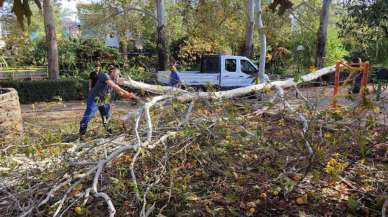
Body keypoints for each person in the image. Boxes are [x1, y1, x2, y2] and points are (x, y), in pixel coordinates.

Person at [79, 66, 133, 140]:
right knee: (89, 116)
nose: (118, 75)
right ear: (112, 71)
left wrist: (129, 96)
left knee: (106, 117)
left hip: (104, 101)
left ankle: (109, 133)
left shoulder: (114, 79)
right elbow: (113, 86)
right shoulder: (104, 75)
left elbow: (119, 92)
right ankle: (82, 134)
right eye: (118, 73)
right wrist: (126, 92)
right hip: (94, 99)